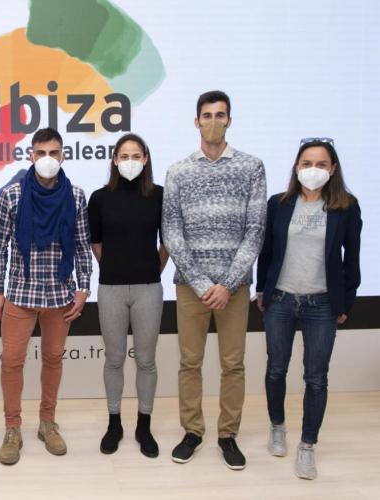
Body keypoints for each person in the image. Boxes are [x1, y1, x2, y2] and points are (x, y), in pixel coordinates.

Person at [162, 90, 266, 470]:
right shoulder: (178, 171)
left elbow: (255, 230)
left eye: (220, 115)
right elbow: (171, 232)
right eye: (206, 115)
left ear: (229, 121)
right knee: (189, 363)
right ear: (196, 122)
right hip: (191, 287)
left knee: (233, 364)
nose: (213, 122)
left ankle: (227, 435)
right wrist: (203, 284)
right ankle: (192, 431)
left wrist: (228, 283)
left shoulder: (251, 167)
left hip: (234, 289)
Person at [257, 138, 361, 480]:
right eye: (306, 163)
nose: (312, 170)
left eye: (320, 164)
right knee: (276, 369)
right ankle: (277, 427)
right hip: (281, 300)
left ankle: (307, 445)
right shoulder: (279, 203)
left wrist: (345, 301)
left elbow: (352, 259)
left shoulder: (346, 207)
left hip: (323, 303)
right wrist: (262, 289)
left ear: (332, 169)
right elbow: (267, 251)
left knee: (316, 378)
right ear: (296, 167)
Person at [0, 127, 92, 465]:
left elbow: (81, 245)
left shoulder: (76, 196)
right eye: (41, 153)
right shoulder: (12, 195)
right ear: (30, 155)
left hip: (60, 295)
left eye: (54, 152)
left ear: (63, 155)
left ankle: (47, 423)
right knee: (12, 362)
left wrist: (84, 287)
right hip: (20, 293)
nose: (47, 159)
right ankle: (12, 428)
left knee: (53, 360)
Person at [87, 133, 168, 457]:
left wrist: (152, 268)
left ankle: (144, 426)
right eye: (124, 156)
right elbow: (96, 243)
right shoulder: (99, 198)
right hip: (111, 289)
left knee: (146, 361)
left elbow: (167, 242)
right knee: (114, 359)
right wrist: (114, 267)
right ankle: (114, 423)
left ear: (145, 159)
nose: (130, 161)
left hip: (149, 288)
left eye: (136, 156)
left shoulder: (159, 195)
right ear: (114, 160)